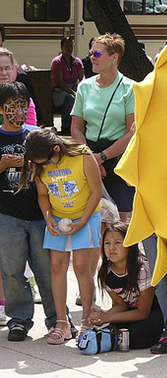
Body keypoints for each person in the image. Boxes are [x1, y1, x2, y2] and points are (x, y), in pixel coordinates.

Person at [19, 128, 102, 344]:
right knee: (56, 266)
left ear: (56, 149)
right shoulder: (39, 165)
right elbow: (43, 195)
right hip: (57, 219)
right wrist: (48, 218)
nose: (44, 166)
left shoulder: (83, 155)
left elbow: (96, 191)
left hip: (85, 217)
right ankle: (61, 323)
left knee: (83, 267)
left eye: (47, 162)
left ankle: (86, 320)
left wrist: (82, 221)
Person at [0, 81, 57, 341]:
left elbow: (55, 166)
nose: (19, 112)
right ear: (1, 109)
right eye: (12, 106)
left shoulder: (36, 135)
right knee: (12, 269)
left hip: (39, 215)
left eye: (23, 105)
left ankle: (57, 319)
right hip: (7, 215)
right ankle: (19, 319)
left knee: (47, 268)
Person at [70, 33, 135, 222]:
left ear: (114, 57)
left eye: (97, 54)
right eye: (91, 53)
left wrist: (102, 157)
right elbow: (76, 128)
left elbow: (132, 132)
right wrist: (91, 159)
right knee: (93, 221)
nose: (91, 58)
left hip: (117, 160)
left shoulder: (130, 88)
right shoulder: (84, 87)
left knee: (121, 222)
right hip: (87, 155)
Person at [87, 222, 163, 349]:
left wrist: (108, 317)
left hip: (155, 310)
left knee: (135, 336)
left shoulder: (142, 269)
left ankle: (165, 334)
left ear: (130, 245)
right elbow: (121, 304)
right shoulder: (106, 272)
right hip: (133, 311)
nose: (111, 248)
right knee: (113, 329)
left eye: (118, 242)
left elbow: (143, 312)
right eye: (107, 243)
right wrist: (102, 316)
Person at [51, 37, 84, 135]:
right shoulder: (57, 62)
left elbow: (81, 79)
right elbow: (60, 81)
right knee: (70, 98)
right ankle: (66, 126)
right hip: (59, 91)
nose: (69, 48)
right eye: (66, 46)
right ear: (61, 47)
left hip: (74, 88)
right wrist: (73, 92)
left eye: (71, 46)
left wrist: (81, 90)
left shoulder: (77, 61)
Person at [0, 48, 37, 126]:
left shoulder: (24, 98)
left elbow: (30, 130)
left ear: (14, 69)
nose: (4, 73)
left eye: (7, 68)